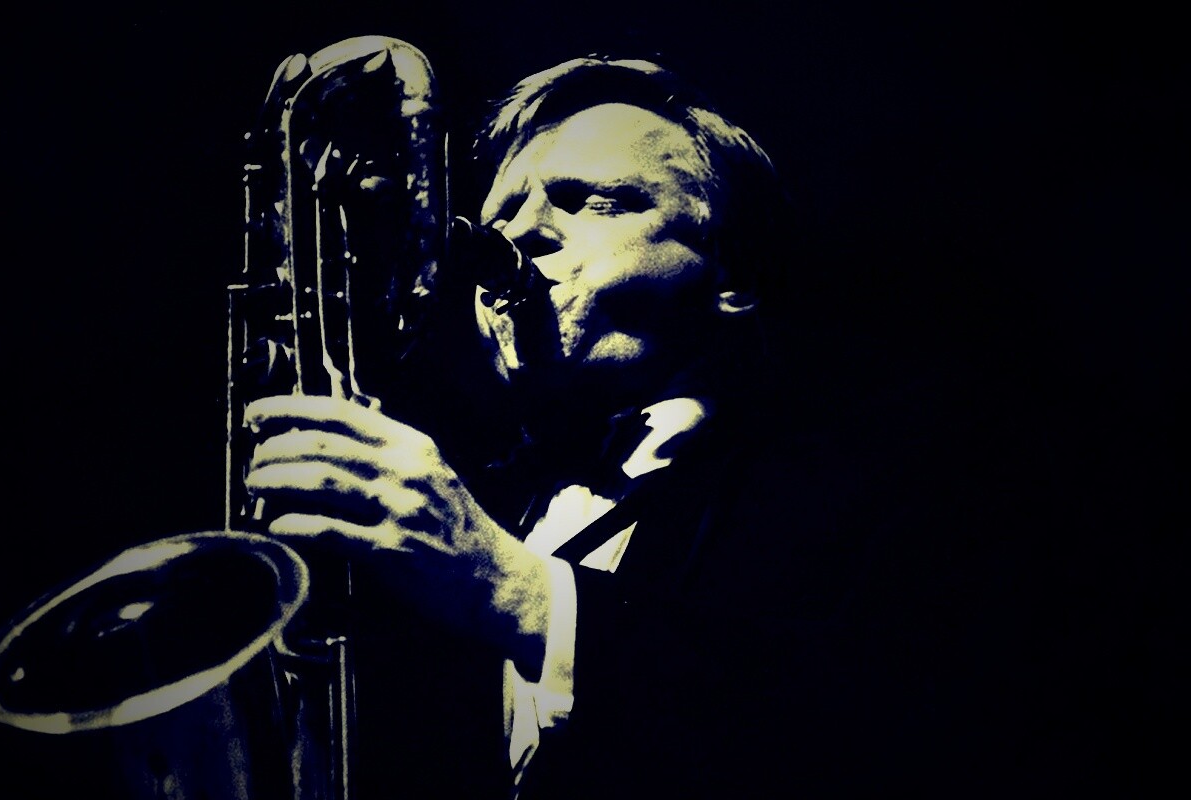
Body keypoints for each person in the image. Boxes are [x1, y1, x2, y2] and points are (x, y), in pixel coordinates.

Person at [243, 55, 884, 799]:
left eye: (591, 203)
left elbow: (852, 727)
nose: (519, 235)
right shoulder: (467, 508)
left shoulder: (868, 481)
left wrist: (513, 592)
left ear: (734, 273)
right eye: (500, 217)